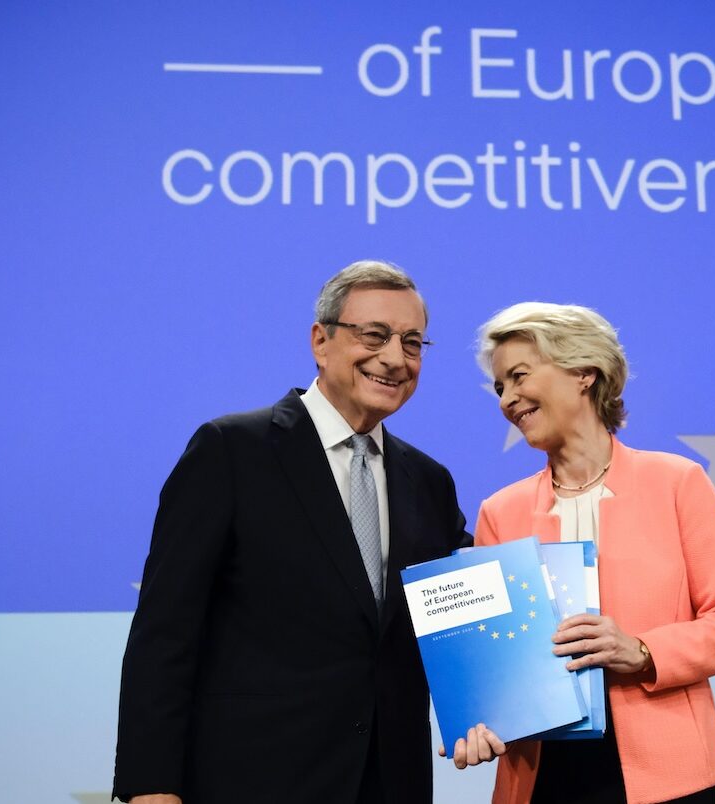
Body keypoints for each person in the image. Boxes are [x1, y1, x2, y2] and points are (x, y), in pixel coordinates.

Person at [112, 261, 470, 804]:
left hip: (389, 785)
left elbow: (466, 614)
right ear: (320, 341)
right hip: (251, 780)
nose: (395, 359)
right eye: (374, 335)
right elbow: (165, 634)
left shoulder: (429, 482)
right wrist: (151, 786)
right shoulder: (231, 452)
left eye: (413, 342)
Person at [455, 302, 715, 804]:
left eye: (519, 376)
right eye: (500, 387)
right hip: (540, 777)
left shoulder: (678, 482)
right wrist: (479, 718)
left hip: (669, 774)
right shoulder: (499, 512)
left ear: (583, 372)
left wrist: (642, 652)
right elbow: (489, 659)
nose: (507, 399)